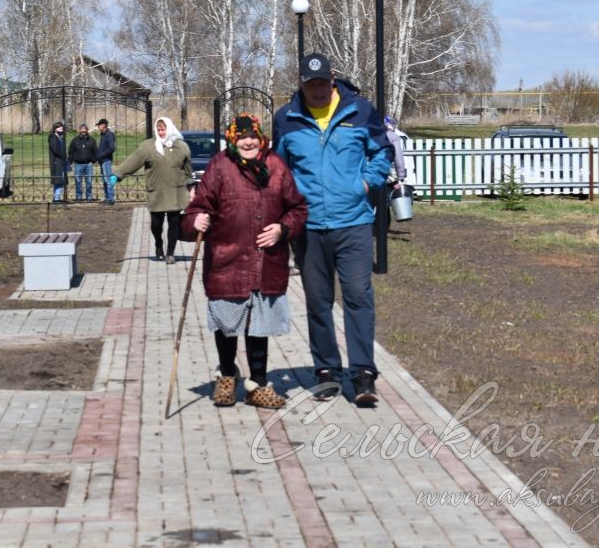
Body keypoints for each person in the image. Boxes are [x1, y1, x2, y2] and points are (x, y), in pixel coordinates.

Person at [273, 52, 392, 405]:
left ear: (333, 78)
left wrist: (367, 184)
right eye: (311, 84)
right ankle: (326, 370)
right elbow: (279, 168)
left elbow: (383, 151)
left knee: (358, 297)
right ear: (301, 84)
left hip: (353, 222)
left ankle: (362, 374)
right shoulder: (287, 119)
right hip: (308, 227)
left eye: (323, 82)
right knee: (318, 301)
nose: (318, 90)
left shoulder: (360, 111)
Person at [182, 115, 307, 409]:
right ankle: (227, 375)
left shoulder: (276, 165)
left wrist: (282, 229)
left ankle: (258, 384)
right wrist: (195, 219)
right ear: (232, 139)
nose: (248, 142)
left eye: (252, 136)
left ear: (261, 137)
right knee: (227, 323)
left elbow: (298, 208)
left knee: (258, 326)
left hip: (267, 261)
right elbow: (198, 208)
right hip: (227, 260)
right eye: (241, 137)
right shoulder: (220, 166)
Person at [110, 116, 192, 264]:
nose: (161, 132)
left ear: (170, 128)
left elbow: (188, 171)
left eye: (163, 129)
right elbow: (133, 161)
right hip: (157, 192)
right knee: (156, 224)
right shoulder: (148, 147)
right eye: (159, 129)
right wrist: (118, 173)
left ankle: (170, 253)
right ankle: (158, 244)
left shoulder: (182, 147)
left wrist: (191, 187)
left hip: (176, 192)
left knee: (174, 222)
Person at [69, 123, 98, 201]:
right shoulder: (75, 140)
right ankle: (79, 196)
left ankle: (89, 196)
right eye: (82, 131)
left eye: (85, 131)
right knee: (78, 181)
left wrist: (93, 160)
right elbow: (71, 152)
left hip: (89, 164)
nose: (83, 132)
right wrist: (70, 161)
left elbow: (95, 152)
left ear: (87, 131)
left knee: (89, 181)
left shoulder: (92, 140)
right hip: (78, 164)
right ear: (79, 131)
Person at [96, 118, 116, 205]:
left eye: (99, 125)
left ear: (103, 126)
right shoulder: (103, 135)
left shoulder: (109, 135)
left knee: (108, 180)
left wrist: (101, 155)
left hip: (106, 160)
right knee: (105, 180)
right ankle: (107, 197)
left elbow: (112, 148)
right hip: (102, 161)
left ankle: (110, 199)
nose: (98, 127)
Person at [48, 121, 68, 202]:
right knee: (58, 180)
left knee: (61, 180)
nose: (62, 128)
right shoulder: (53, 137)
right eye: (60, 127)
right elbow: (55, 150)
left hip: (61, 161)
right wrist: (63, 155)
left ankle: (58, 197)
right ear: (55, 129)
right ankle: (56, 198)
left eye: (62, 127)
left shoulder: (61, 138)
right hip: (56, 162)